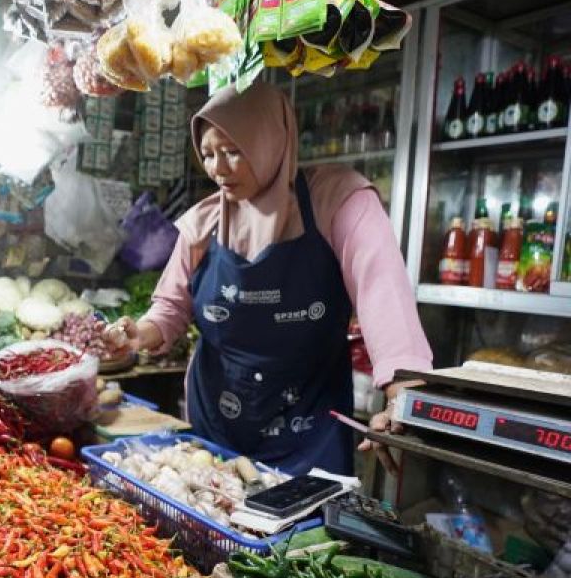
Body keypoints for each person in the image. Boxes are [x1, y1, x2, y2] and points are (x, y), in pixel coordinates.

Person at [103, 82, 431, 476]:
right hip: (216, 430)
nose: (217, 169)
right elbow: (170, 309)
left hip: (310, 434)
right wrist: (140, 333)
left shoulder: (338, 201)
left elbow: (385, 297)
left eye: (232, 152)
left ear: (270, 140)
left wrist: (403, 397)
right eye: (207, 154)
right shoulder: (203, 223)